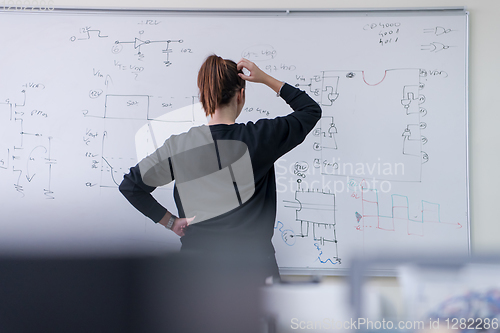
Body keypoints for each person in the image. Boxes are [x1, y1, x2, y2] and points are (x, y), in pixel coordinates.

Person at [119, 55, 321, 283]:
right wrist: (264, 79)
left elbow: (131, 186)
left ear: (204, 97)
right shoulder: (262, 136)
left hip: (197, 273)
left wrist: (170, 222)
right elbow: (310, 110)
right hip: (254, 270)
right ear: (241, 95)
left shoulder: (178, 146)